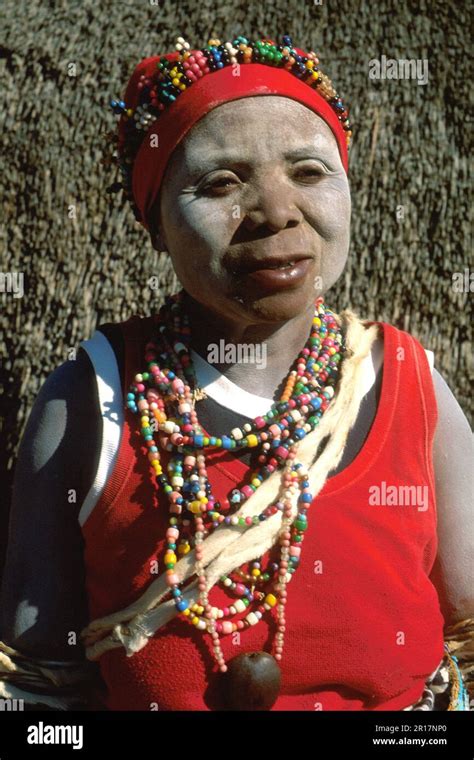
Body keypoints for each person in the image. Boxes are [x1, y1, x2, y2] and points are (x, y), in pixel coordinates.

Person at [0, 34, 472, 712]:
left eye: (309, 173)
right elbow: (35, 686)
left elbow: (471, 642)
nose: (277, 211)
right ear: (156, 222)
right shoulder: (88, 398)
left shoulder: (411, 386)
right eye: (220, 182)